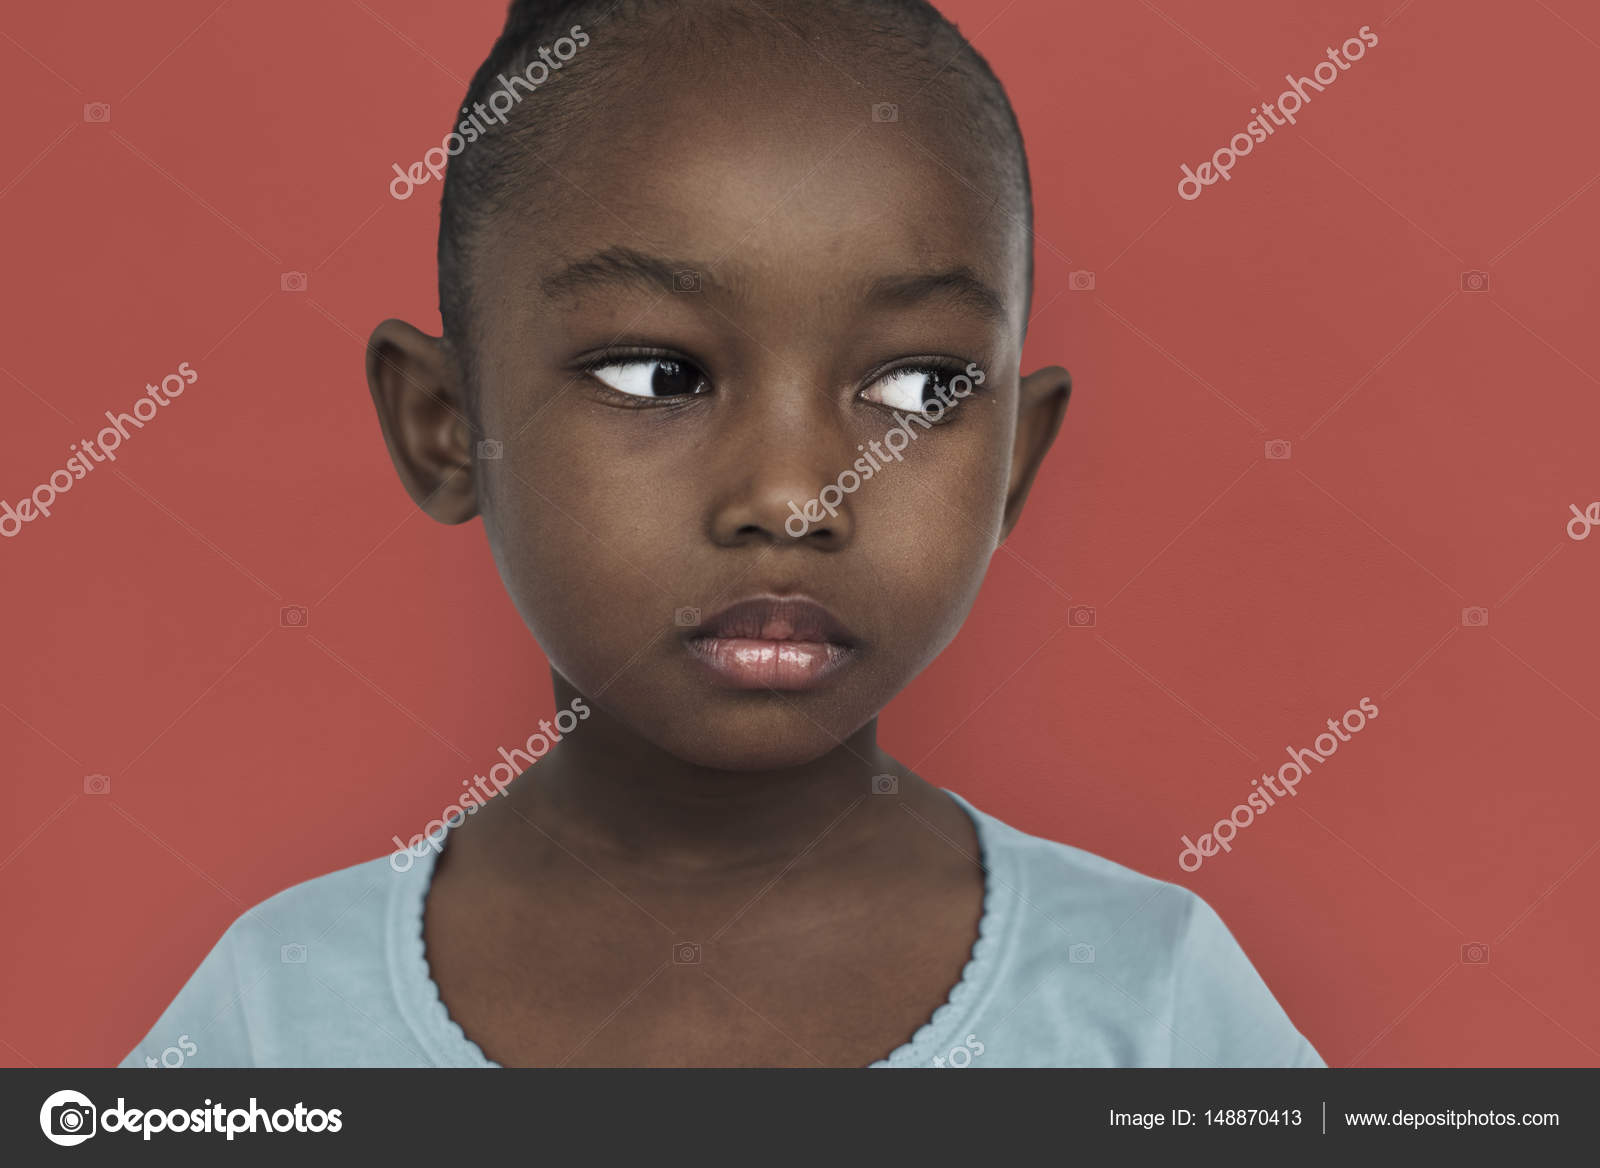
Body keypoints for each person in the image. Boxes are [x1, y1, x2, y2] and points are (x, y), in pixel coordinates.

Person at [120, 0, 1321, 1068]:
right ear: (445, 426)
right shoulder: (272, 1018)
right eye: (657, 374)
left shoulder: (1150, 1001)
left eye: (916, 391)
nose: (794, 498)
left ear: (1014, 456)